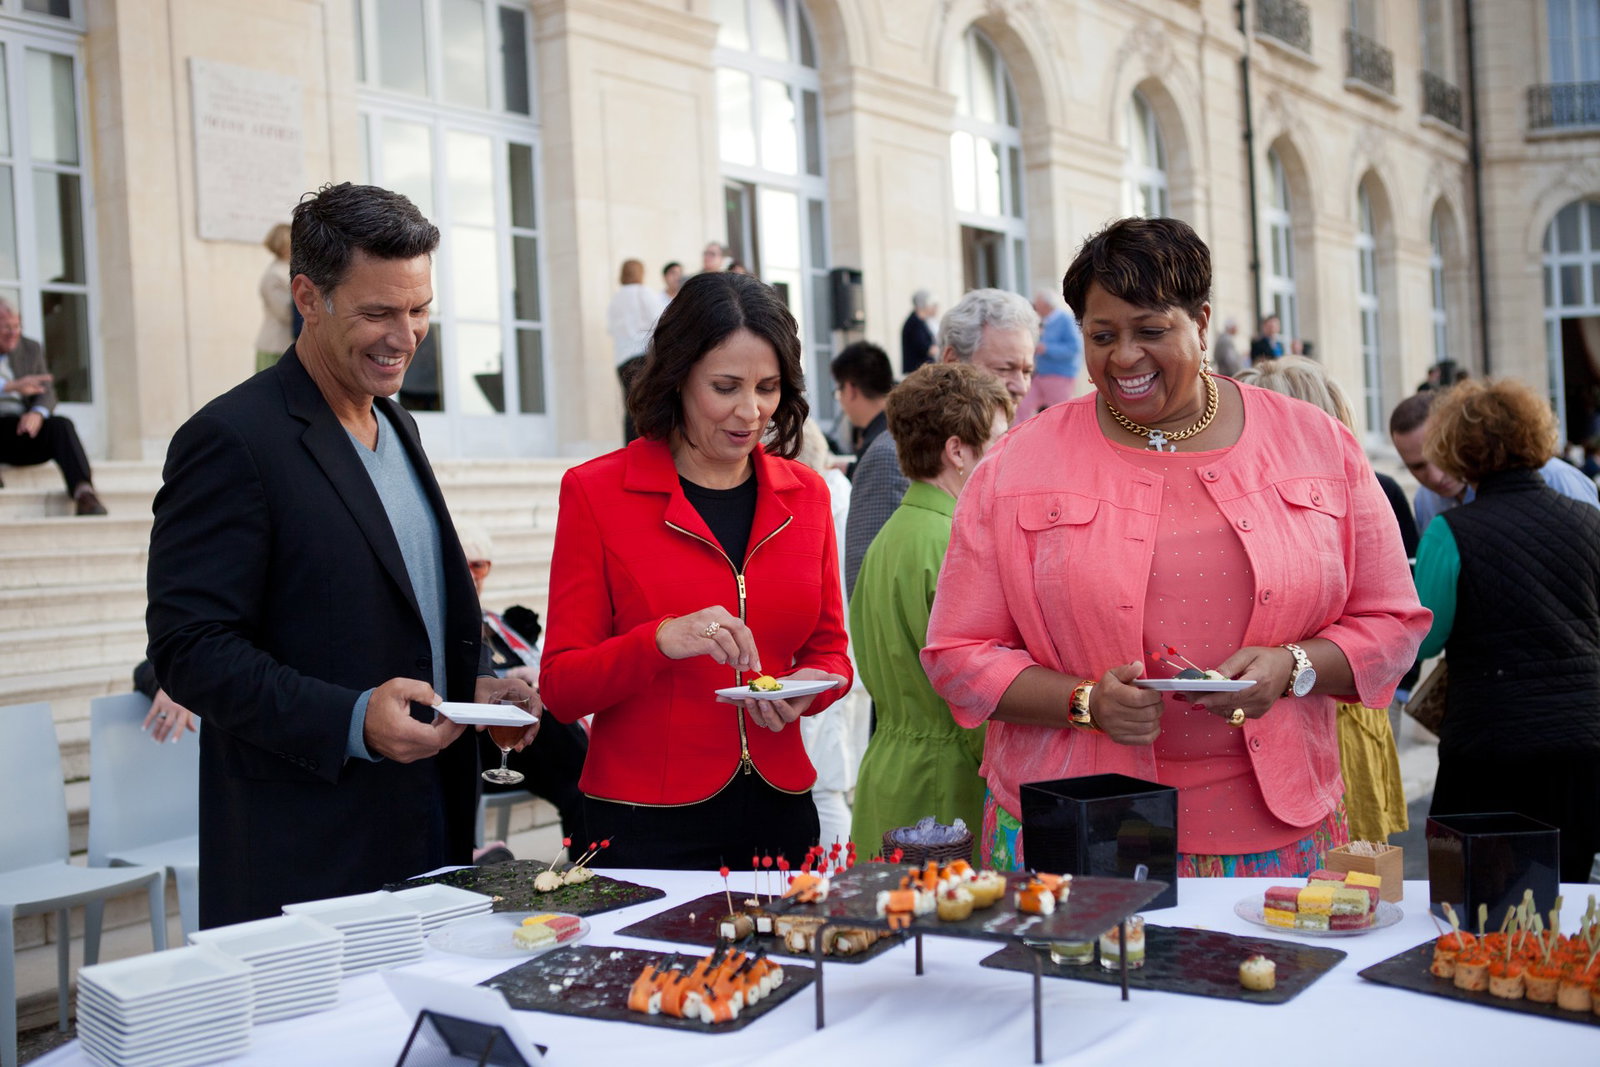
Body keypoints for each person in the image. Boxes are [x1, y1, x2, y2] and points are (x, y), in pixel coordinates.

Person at [922, 217, 1429, 874]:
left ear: (1202, 321)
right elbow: (957, 653)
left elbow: (1393, 622)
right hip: (1077, 825)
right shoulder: (1017, 463)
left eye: (1151, 331)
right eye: (1102, 336)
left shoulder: (1317, 444)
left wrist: (1295, 666)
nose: (1124, 356)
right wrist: (1085, 702)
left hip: (1273, 830)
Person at [147, 183, 537, 928]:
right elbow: (188, 650)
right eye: (378, 312)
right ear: (307, 296)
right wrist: (352, 718)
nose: (406, 334)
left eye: (419, 309)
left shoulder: (400, 426)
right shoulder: (231, 439)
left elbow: (408, 609)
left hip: (429, 837)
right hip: (308, 862)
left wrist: (476, 689)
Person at [539, 270, 852, 869]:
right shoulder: (595, 492)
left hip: (781, 812)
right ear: (677, 376)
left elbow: (831, 652)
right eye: (726, 386)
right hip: (641, 823)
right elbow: (560, 687)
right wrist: (658, 640)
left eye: (768, 387)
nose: (751, 411)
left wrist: (801, 695)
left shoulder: (807, 494)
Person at [1414, 378, 1600, 883]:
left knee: (1475, 899)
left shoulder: (1449, 532)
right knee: (1564, 897)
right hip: (1582, 743)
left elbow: (1425, 637)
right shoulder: (1590, 519)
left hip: (1489, 745)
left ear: (1456, 451)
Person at [1241, 356, 1410, 843]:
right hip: (1310, 712)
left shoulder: (1369, 491)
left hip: (1333, 709)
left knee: (1349, 867)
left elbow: (1393, 613)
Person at [850, 363, 1012, 856]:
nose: (1008, 457)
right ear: (958, 450)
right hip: (946, 785)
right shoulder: (951, 542)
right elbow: (972, 694)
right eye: (999, 442)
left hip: (888, 770)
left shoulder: (894, 535)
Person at [844, 288, 1036, 598]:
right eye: (1004, 369)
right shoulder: (890, 457)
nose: (1021, 386)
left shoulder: (1018, 450)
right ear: (952, 360)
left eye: (1027, 371)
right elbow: (869, 590)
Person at [457, 522, 589, 846]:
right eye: (464, 565)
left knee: (580, 786)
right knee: (570, 755)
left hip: (531, 742)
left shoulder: (498, 623)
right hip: (481, 739)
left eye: (480, 566)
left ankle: (591, 856)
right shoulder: (453, 623)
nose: (472, 575)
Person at [795, 418, 868, 848]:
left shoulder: (820, 497)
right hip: (842, 655)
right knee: (831, 783)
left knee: (824, 787)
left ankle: (839, 883)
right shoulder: (840, 491)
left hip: (826, 655)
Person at [1390, 390, 1598, 532]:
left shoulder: (1554, 478)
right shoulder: (1425, 501)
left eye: (1439, 456)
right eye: (1417, 467)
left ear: (1456, 436)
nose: (1435, 476)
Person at [0, 300, 106, 514]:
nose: (13, 333)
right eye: (6, 327)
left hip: (18, 429)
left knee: (61, 426)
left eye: (16, 326)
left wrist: (37, 413)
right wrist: (10, 387)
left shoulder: (30, 348)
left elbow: (47, 391)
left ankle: (83, 493)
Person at [608, 258, 666, 444]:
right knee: (648, 403)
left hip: (623, 358)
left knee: (630, 405)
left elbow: (610, 328)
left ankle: (630, 447)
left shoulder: (615, 299)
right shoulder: (645, 293)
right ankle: (647, 445)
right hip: (643, 355)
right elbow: (660, 322)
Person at [829, 340, 893, 476]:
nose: (840, 399)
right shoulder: (902, 424)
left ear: (850, 389)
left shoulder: (877, 447)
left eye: (839, 391)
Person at [1018, 289, 1082, 420]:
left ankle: (1064, 439)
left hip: (1059, 376)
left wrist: (1047, 349)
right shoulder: (1042, 320)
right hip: (1040, 374)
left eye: (1037, 304)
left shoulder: (1065, 319)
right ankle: (1016, 437)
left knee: (1061, 414)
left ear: (1046, 305)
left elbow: (1074, 348)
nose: (1034, 307)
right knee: (1022, 406)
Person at [254, 222, 294, 373]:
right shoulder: (274, 275)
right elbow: (285, 313)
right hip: (276, 346)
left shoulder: (287, 269)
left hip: (285, 344)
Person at [900, 290, 939, 375]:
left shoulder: (922, 322)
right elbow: (927, 348)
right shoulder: (914, 323)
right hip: (918, 373)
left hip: (921, 371)